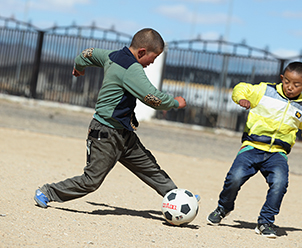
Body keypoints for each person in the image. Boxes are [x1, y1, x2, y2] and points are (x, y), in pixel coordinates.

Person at [34, 28, 200, 209]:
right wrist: (175, 103)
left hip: (124, 133)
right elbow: (153, 98)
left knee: (150, 168)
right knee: (91, 181)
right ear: (142, 52)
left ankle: (181, 199)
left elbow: (86, 54)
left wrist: (79, 68)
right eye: (153, 57)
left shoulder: (112, 56)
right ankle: (47, 192)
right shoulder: (132, 69)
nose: (153, 62)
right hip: (105, 134)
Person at [207, 62, 302, 238]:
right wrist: (241, 98)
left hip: (278, 153)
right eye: (287, 82)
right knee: (235, 177)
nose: (290, 87)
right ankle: (224, 207)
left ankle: (266, 222)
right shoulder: (265, 90)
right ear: (282, 78)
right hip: (252, 147)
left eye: (296, 85)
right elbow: (241, 88)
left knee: (280, 183)